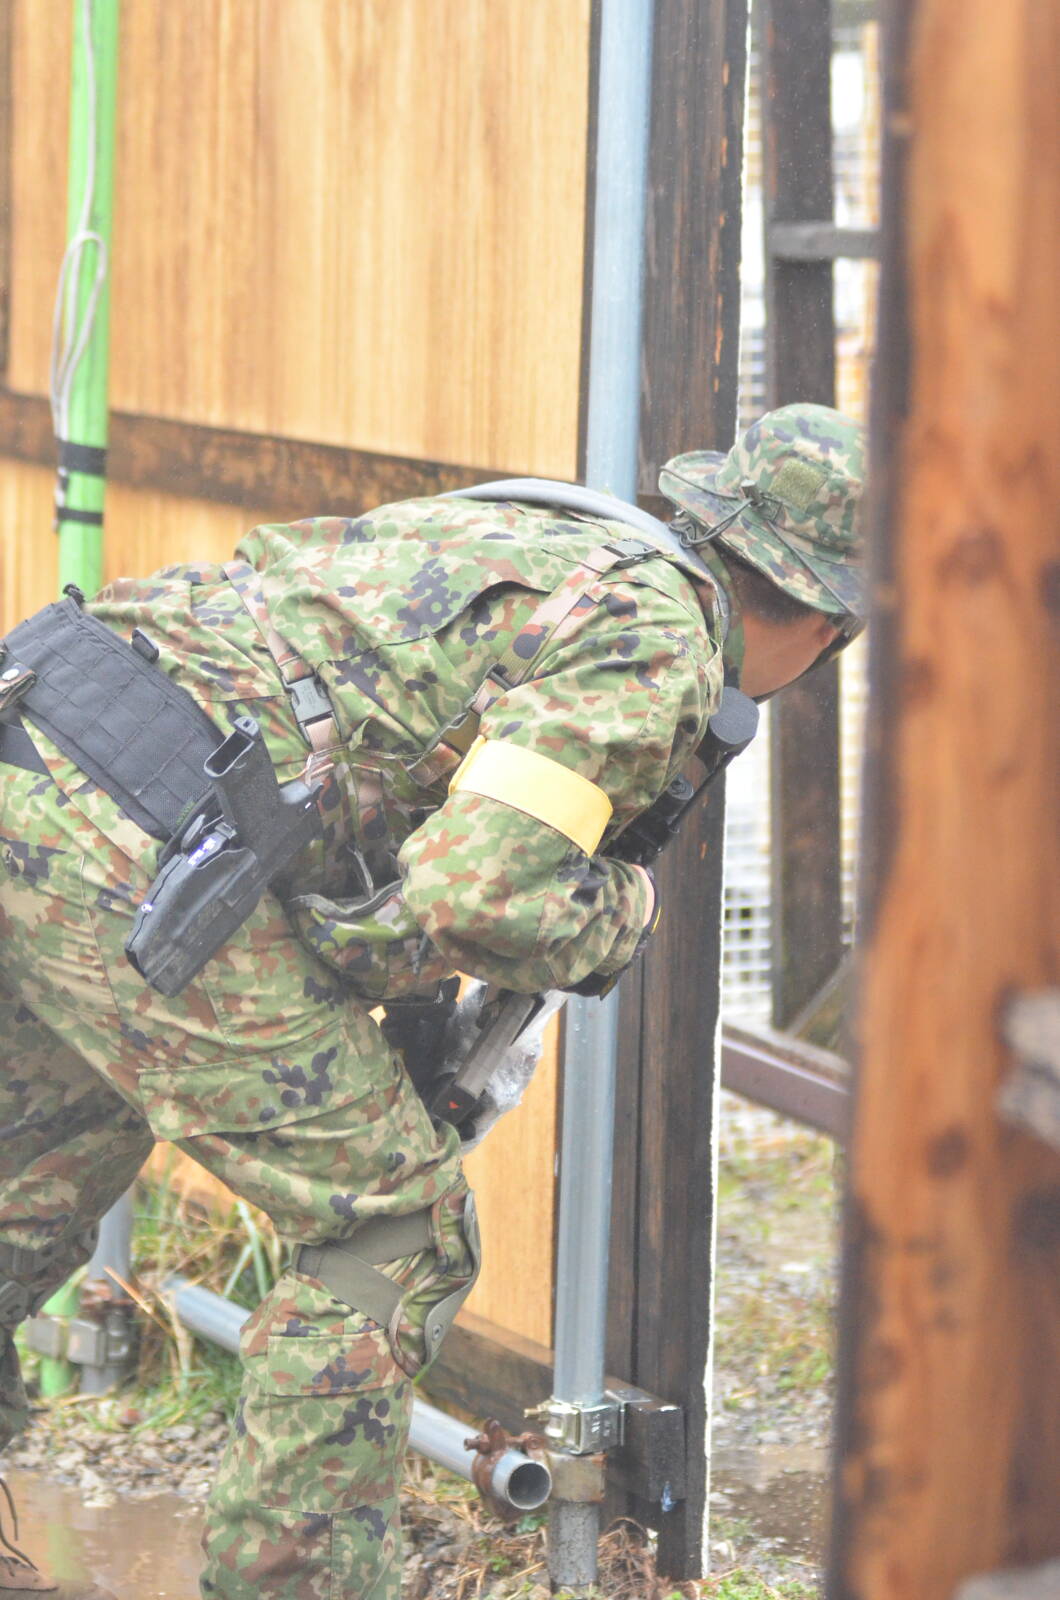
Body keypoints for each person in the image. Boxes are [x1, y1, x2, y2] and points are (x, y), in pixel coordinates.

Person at [0, 401, 864, 1599]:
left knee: (36, 1166)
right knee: (395, 1230)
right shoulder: (653, 641)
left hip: (37, 749)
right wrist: (627, 908)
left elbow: (389, 808)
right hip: (139, 845)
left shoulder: (547, 540)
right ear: (824, 622)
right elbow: (479, 896)